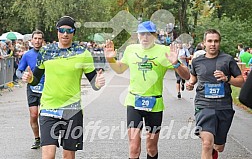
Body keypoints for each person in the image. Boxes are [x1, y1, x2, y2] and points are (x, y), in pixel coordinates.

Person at [22, 16, 105, 159]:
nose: (65, 34)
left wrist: (98, 82)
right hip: (49, 108)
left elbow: (94, 83)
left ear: (73, 33)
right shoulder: (46, 52)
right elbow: (35, 80)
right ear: (57, 32)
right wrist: (30, 79)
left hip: (71, 110)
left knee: (68, 155)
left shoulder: (82, 53)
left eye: (69, 30)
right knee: (48, 155)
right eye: (62, 30)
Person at [104, 21, 190, 159]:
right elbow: (120, 69)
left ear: (155, 36)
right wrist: (110, 60)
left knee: (151, 148)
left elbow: (186, 75)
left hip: (155, 104)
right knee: (134, 148)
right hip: (134, 102)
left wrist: (176, 63)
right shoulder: (131, 49)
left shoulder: (164, 51)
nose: (145, 37)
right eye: (142, 34)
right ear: (138, 35)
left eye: (149, 34)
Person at [186, 29, 244, 159]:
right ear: (204, 43)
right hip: (204, 105)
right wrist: (190, 84)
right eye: (210, 41)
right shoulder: (197, 61)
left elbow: (241, 82)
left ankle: (214, 151)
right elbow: (193, 78)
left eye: (216, 41)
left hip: (223, 106)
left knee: (218, 146)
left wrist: (227, 79)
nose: (213, 44)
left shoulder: (227, 60)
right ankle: (209, 148)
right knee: (206, 143)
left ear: (219, 43)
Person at [16, 30, 45, 149]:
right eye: (35, 38)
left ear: (43, 41)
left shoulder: (48, 54)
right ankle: (37, 139)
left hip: (46, 88)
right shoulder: (27, 55)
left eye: (40, 39)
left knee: (44, 116)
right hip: (32, 88)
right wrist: (22, 76)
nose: (37, 41)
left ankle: (47, 139)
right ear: (31, 40)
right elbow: (18, 71)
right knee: (34, 115)